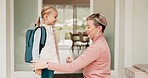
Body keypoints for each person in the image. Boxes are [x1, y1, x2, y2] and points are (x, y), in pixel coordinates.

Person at [32, 13, 111, 78]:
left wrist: (47, 64)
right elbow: (95, 65)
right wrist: (77, 62)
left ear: (99, 28)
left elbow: (72, 67)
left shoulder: (96, 47)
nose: (86, 30)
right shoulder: (101, 43)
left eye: (88, 27)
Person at [32, 6, 59, 78]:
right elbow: (35, 48)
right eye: (55, 17)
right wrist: (36, 66)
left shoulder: (51, 30)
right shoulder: (40, 30)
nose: (56, 19)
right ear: (46, 16)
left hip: (51, 63)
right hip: (43, 63)